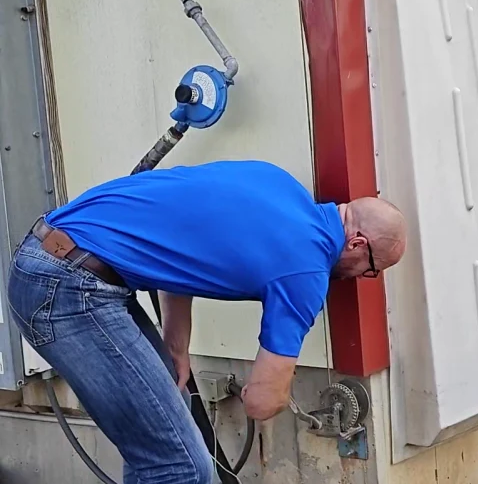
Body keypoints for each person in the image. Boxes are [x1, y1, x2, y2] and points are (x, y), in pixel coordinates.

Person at [5, 160, 407, 484]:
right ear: (357, 244)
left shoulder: (276, 181)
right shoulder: (306, 272)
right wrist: (278, 393)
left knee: (167, 443)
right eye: (370, 269)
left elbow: (183, 237)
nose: (361, 278)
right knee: (182, 468)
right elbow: (261, 402)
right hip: (68, 289)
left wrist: (175, 346)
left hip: (59, 260)